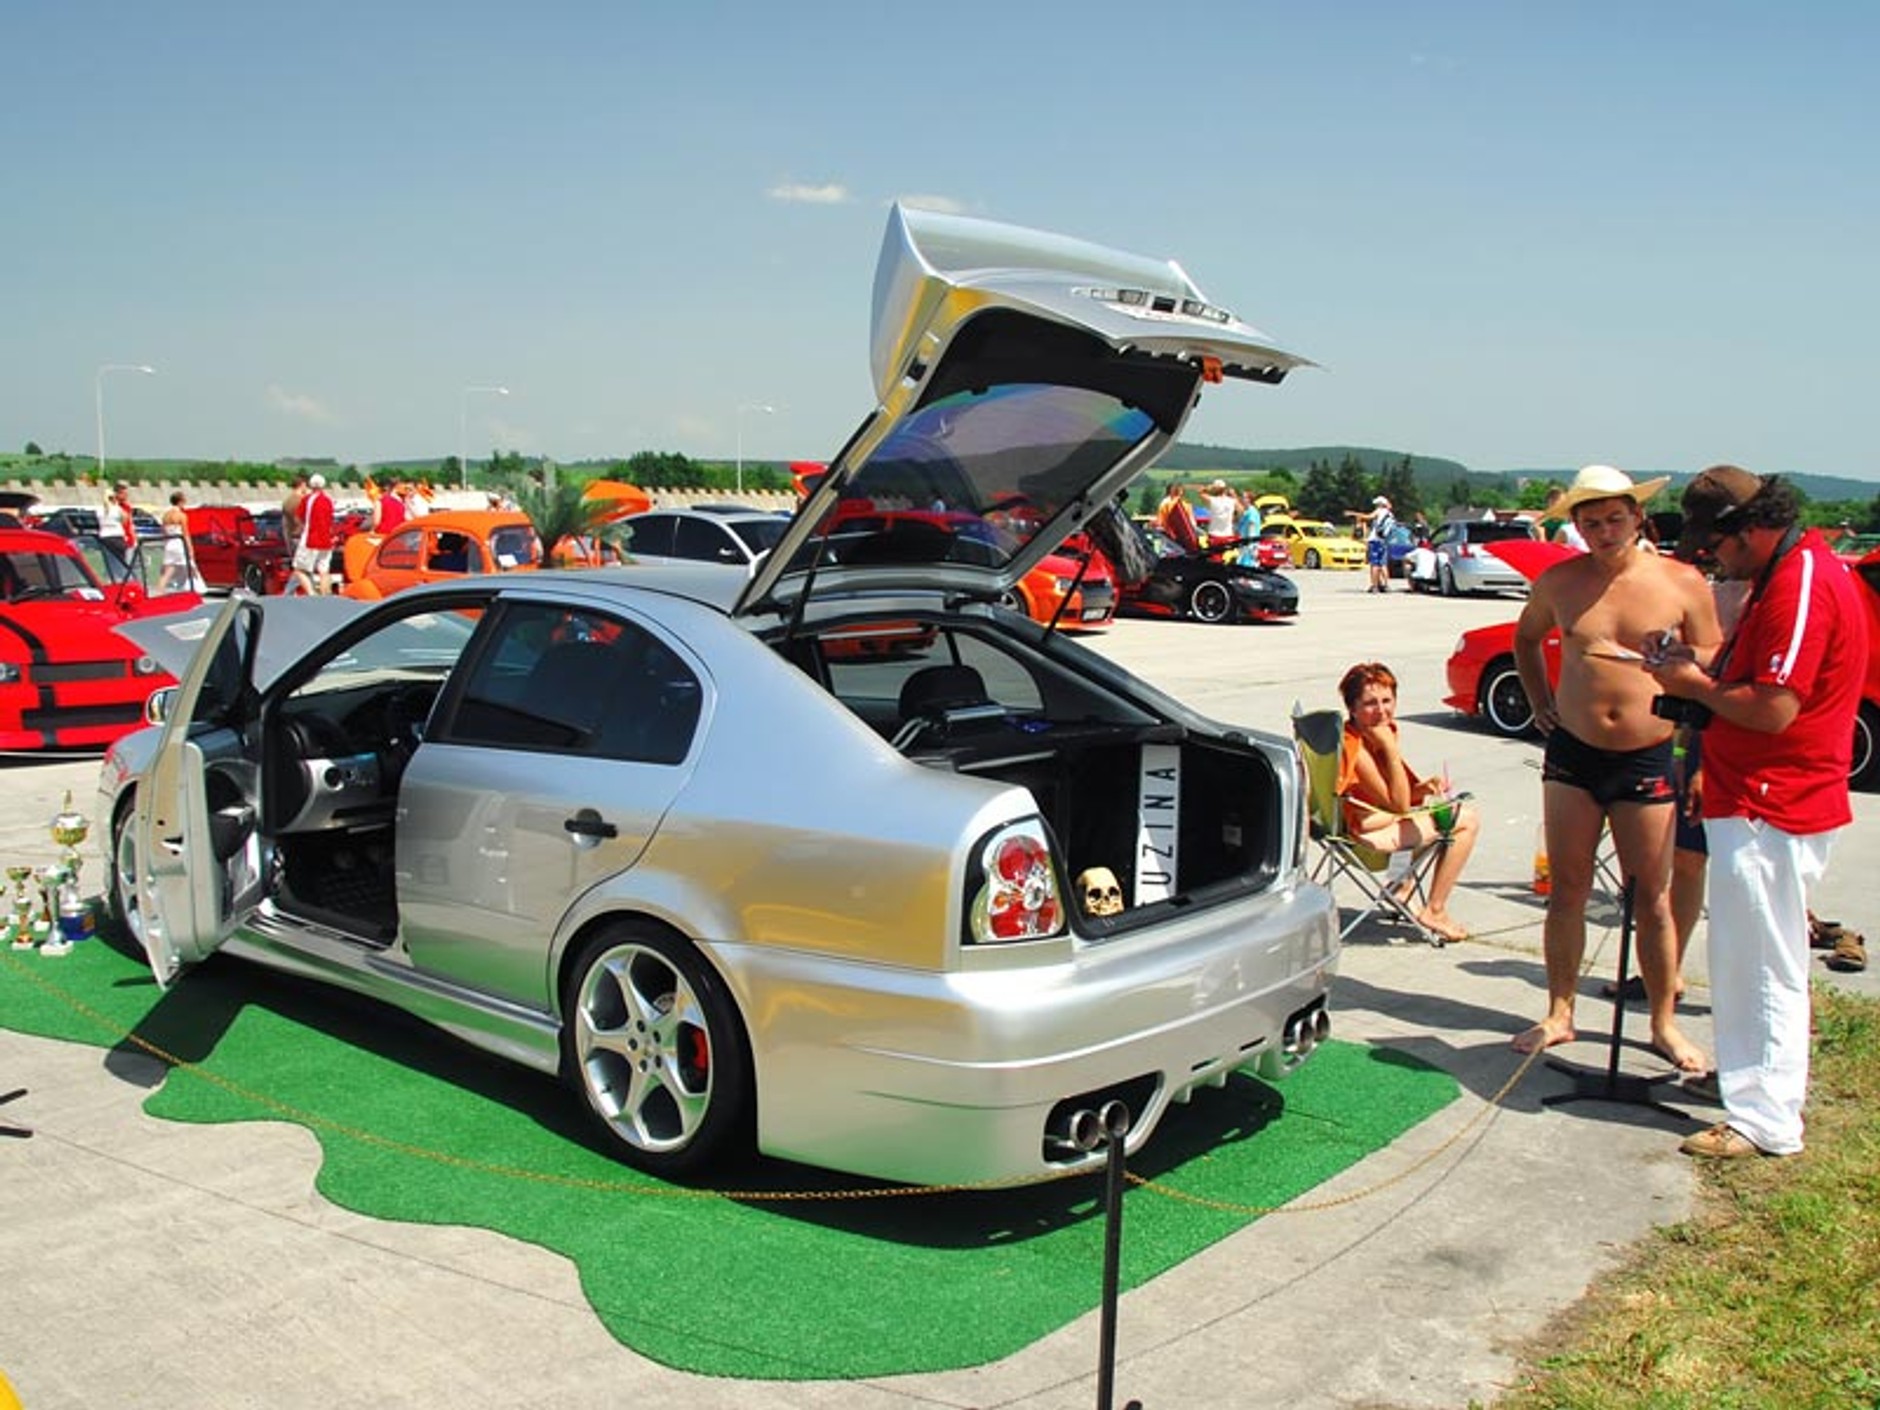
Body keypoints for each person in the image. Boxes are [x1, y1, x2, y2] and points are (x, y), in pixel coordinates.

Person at [1650, 466, 1868, 1158]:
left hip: (1777, 798)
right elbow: (1749, 688)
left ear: (1755, 528)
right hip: (1755, 793)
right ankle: (1747, 1086)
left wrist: (1690, 683)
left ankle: (1766, 1117)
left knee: (1763, 962)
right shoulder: (1786, 573)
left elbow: (1774, 707)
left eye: (1720, 543)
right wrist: (1704, 683)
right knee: (1742, 954)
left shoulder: (1801, 584)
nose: (1713, 556)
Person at [1510, 464, 1721, 1072]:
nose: (1604, 532)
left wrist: (1676, 669)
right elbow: (1527, 640)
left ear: (1637, 517)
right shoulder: (1559, 581)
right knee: (1567, 888)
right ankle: (1560, 1011)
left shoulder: (1682, 583)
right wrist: (1540, 701)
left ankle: (1662, 1022)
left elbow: (1712, 663)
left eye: (1614, 519)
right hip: (1574, 750)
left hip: (1649, 752)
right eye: (1591, 522)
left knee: (1650, 896)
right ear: (1576, 525)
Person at [1336, 662, 1480, 942]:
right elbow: (1397, 806)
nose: (1381, 710)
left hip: (1371, 820)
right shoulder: (1353, 742)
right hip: (1366, 835)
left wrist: (1420, 789)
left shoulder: (1370, 730)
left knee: (1432, 810)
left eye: (1387, 700)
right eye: (1370, 703)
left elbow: (1394, 795)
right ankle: (1435, 910)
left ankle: (1402, 884)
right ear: (1352, 708)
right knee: (1466, 820)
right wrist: (1390, 748)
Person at [292, 473, 336, 595]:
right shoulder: (328, 500)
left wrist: (300, 529)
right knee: (324, 571)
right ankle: (325, 596)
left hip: (310, 539)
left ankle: (312, 594)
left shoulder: (307, 499)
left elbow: (298, 518)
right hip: (326, 540)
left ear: (311, 485)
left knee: (299, 569)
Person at [157, 490, 191, 593]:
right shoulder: (181, 516)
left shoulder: (165, 515)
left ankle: (160, 591)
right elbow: (186, 534)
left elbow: (163, 532)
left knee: (168, 570)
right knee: (188, 568)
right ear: (180, 502)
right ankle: (185, 590)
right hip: (178, 543)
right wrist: (190, 548)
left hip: (169, 543)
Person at [1155, 482, 1200, 552]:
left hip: (1170, 540)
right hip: (1182, 541)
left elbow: (1160, 523)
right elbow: (1192, 524)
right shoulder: (1184, 504)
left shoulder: (1165, 503)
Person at [1365, 496, 1396, 594]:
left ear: (1379, 504)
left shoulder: (1379, 511)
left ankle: (1375, 586)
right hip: (1384, 541)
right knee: (1383, 564)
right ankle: (1386, 585)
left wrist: (1355, 514)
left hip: (1375, 540)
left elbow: (1368, 517)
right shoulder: (1390, 515)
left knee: (1374, 564)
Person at [1203, 479, 1239, 553]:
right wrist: (1234, 494)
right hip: (1228, 534)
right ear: (1225, 489)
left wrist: (1207, 488)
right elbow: (1241, 510)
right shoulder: (1232, 501)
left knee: (1214, 558)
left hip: (1214, 535)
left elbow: (1201, 493)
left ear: (1215, 490)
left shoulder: (1212, 500)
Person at [1234, 489, 1264, 566]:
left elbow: (1252, 527)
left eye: (1244, 497)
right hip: (1243, 541)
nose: (1242, 499)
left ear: (1249, 500)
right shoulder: (1246, 511)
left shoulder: (1252, 511)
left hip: (1249, 543)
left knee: (1247, 564)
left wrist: (1250, 543)